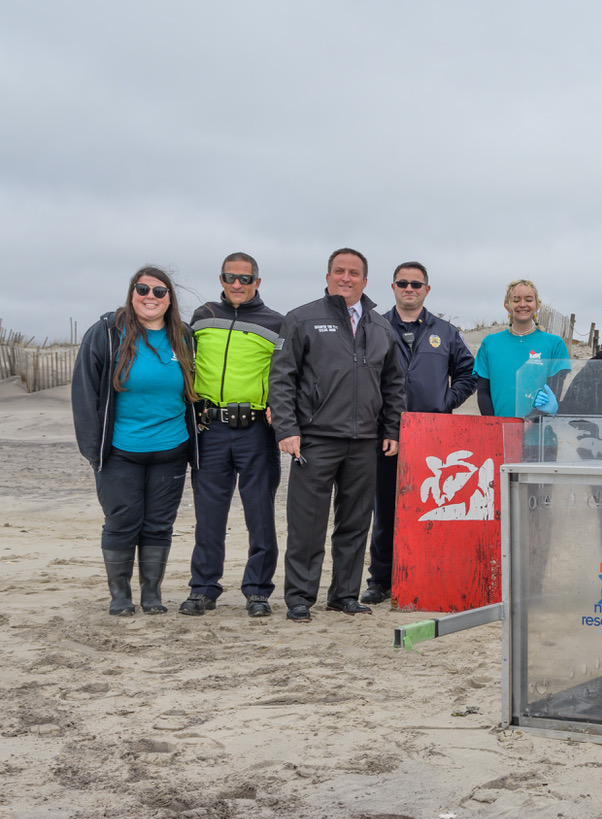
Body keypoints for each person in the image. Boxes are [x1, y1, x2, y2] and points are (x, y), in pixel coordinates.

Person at [269, 248, 406, 623]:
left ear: (365, 280)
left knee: (355, 521)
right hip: (315, 438)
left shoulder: (380, 326)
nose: (346, 278)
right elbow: (282, 377)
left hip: (364, 440)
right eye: (339, 271)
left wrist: (392, 428)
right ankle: (299, 597)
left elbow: (394, 382)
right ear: (328, 276)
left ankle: (344, 594)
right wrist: (287, 427)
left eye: (354, 273)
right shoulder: (302, 318)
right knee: (307, 523)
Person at [72, 267, 198, 616]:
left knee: (159, 524)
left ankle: (152, 594)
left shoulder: (183, 337)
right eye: (143, 289)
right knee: (122, 521)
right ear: (132, 293)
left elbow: (195, 392)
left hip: (171, 449)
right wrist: (93, 449)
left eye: (159, 292)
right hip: (120, 451)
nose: (150, 297)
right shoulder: (107, 333)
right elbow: (83, 393)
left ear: (169, 299)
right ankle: (120, 596)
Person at [362, 262, 477, 605]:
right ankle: (380, 580)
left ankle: (429, 571)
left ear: (427, 289)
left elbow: (468, 375)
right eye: (403, 283)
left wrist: (445, 403)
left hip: (433, 436)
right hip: (388, 434)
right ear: (393, 287)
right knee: (386, 510)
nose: (409, 289)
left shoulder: (446, 331)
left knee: (431, 507)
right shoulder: (375, 327)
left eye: (416, 284)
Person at [179, 253, 285, 618]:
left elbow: (285, 375)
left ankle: (257, 591)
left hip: (256, 430)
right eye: (230, 277)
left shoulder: (277, 323)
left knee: (260, 513)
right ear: (221, 279)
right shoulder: (203, 316)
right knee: (209, 515)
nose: (237, 285)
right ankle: (203, 588)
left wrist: (280, 411)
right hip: (211, 428)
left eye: (245, 278)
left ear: (258, 281)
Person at [473, 279, 570, 418]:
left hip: (539, 432)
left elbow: (553, 392)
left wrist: (531, 422)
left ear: (537, 305)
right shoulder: (490, 343)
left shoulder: (554, 344)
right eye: (516, 300)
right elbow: (483, 391)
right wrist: (493, 425)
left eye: (529, 299)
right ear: (507, 305)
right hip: (499, 432)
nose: (522, 305)